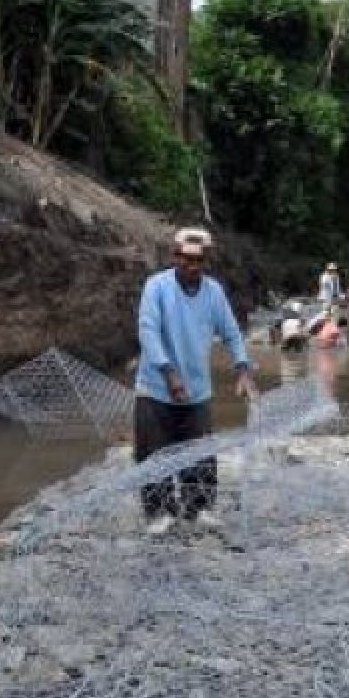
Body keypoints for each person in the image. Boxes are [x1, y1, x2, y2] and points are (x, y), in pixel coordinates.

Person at [135, 228, 258, 536]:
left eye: (198, 260)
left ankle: (198, 506)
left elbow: (230, 331)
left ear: (205, 261)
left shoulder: (213, 292)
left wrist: (243, 368)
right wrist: (169, 373)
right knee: (154, 453)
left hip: (196, 390)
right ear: (175, 257)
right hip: (156, 387)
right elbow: (148, 331)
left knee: (201, 451)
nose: (192, 266)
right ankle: (158, 512)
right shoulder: (157, 287)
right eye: (186, 259)